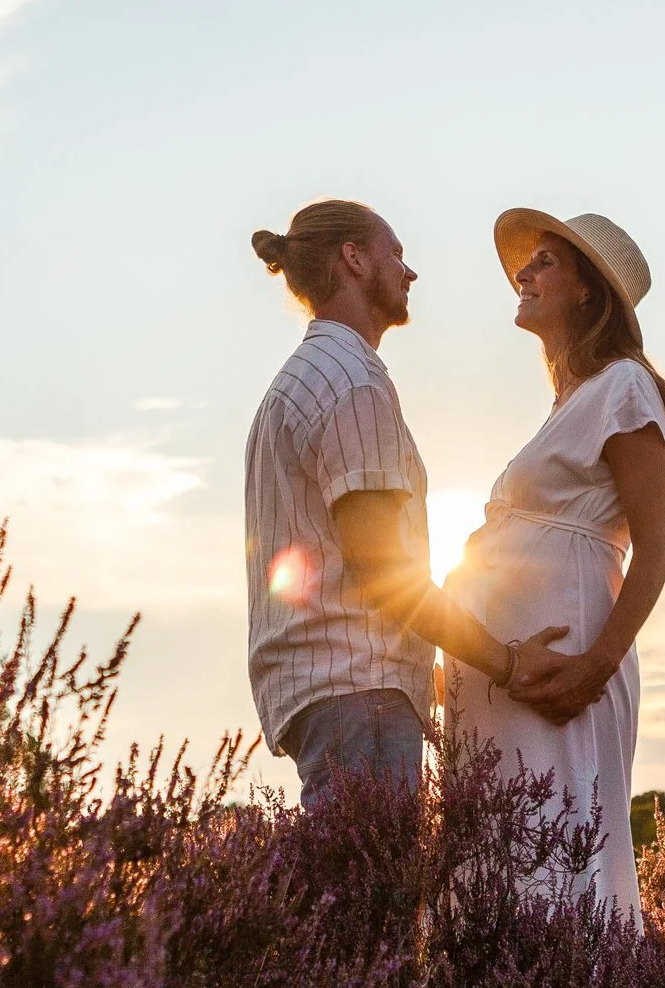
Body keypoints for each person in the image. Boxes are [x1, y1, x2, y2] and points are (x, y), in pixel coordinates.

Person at [244, 199, 573, 804]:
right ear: (354, 259)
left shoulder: (300, 379)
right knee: (373, 898)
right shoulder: (353, 382)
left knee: (348, 893)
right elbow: (383, 573)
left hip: (332, 691)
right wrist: (506, 662)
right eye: (396, 253)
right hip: (358, 695)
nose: (409, 271)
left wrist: (432, 671)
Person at [443, 210, 665, 926]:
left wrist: (594, 667)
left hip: (567, 669)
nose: (525, 273)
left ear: (589, 292)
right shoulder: (567, 405)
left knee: (560, 859)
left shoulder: (624, 389)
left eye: (545, 262)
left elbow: (658, 544)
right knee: (504, 864)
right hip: (505, 682)